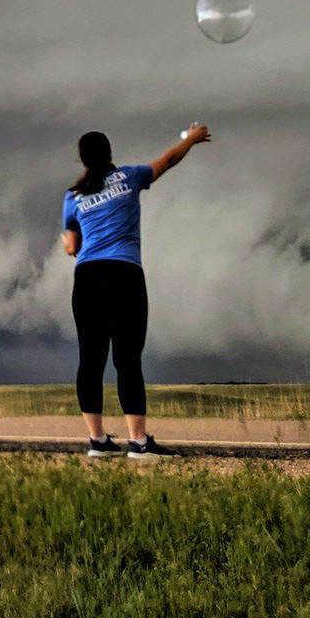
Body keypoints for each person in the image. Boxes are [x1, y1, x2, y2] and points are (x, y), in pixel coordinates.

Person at [60, 123, 210, 459]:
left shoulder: (73, 196)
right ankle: (139, 443)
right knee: (127, 358)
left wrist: (67, 241)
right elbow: (168, 160)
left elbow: (71, 246)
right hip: (123, 274)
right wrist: (192, 139)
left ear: (82, 160)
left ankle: (97, 441)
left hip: (86, 278)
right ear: (110, 154)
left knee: (90, 359)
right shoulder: (130, 177)